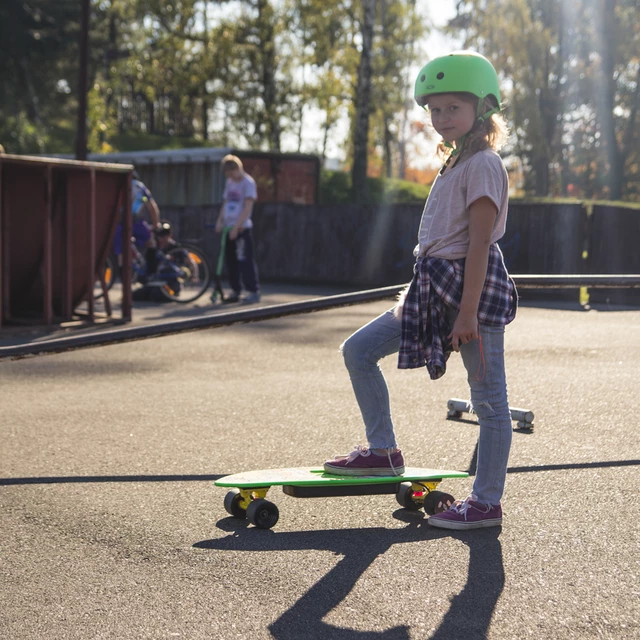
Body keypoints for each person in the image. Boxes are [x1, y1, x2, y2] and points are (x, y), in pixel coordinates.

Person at [323, 51, 518, 530]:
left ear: (482, 108)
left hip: (468, 292)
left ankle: (486, 502)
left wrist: (467, 314)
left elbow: (477, 245)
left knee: (489, 400)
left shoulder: (484, 164)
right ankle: (384, 451)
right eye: (434, 109)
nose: (441, 117)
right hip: (430, 287)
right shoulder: (456, 161)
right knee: (359, 351)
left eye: (453, 107)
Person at [214, 155, 261, 304]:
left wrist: (236, 227)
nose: (229, 176)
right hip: (228, 227)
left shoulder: (248, 183)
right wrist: (220, 221)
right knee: (230, 260)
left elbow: (248, 208)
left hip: (241, 228)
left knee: (245, 259)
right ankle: (236, 290)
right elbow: (226, 202)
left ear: (237, 169)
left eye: (230, 173)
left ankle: (253, 290)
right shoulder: (230, 182)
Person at [113, 170, 161, 280]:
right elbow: (152, 206)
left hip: (119, 222)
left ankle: (124, 279)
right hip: (136, 221)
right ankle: (151, 272)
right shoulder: (139, 187)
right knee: (150, 242)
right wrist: (155, 224)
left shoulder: (117, 186)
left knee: (121, 251)